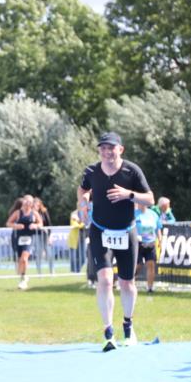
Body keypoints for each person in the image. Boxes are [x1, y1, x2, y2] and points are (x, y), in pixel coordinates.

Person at [77, 132, 154, 351]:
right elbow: (83, 189)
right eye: (103, 148)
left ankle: (128, 327)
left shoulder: (132, 171)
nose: (107, 152)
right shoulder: (91, 171)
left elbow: (150, 198)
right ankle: (108, 332)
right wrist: (82, 203)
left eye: (111, 148)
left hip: (126, 232)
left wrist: (128, 195)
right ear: (99, 150)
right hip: (100, 232)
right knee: (104, 279)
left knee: (127, 283)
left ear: (120, 149)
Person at [6, 195, 43, 290]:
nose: (28, 203)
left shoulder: (34, 213)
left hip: (29, 238)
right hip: (18, 238)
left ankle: (24, 278)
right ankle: (23, 277)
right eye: (26, 201)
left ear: (32, 203)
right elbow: (8, 223)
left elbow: (40, 223)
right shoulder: (18, 213)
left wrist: (35, 225)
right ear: (23, 202)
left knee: (24, 259)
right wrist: (16, 225)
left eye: (30, 202)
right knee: (20, 261)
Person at [134, 199, 162, 294]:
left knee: (151, 265)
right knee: (138, 265)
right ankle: (130, 280)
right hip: (137, 244)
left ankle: (150, 288)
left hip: (151, 243)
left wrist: (160, 239)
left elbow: (158, 228)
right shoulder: (133, 214)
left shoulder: (153, 214)